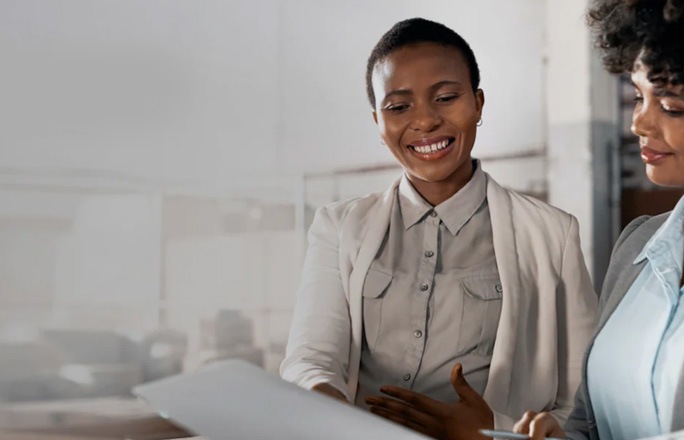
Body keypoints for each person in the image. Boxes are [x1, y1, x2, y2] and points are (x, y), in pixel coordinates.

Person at [280, 17, 598, 439]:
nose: (426, 121)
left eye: (446, 97)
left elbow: (581, 406)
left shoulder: (552, 236)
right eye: (398, 107)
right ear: (378, 121)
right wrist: (334, 412)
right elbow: (309, 360)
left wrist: (491, 431)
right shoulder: (339, 227)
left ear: (478, 103)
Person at [513, 1, 684, 439]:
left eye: (670, 105)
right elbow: (590, 420)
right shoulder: (638, 246)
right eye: (638, 96)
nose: (639, 124)